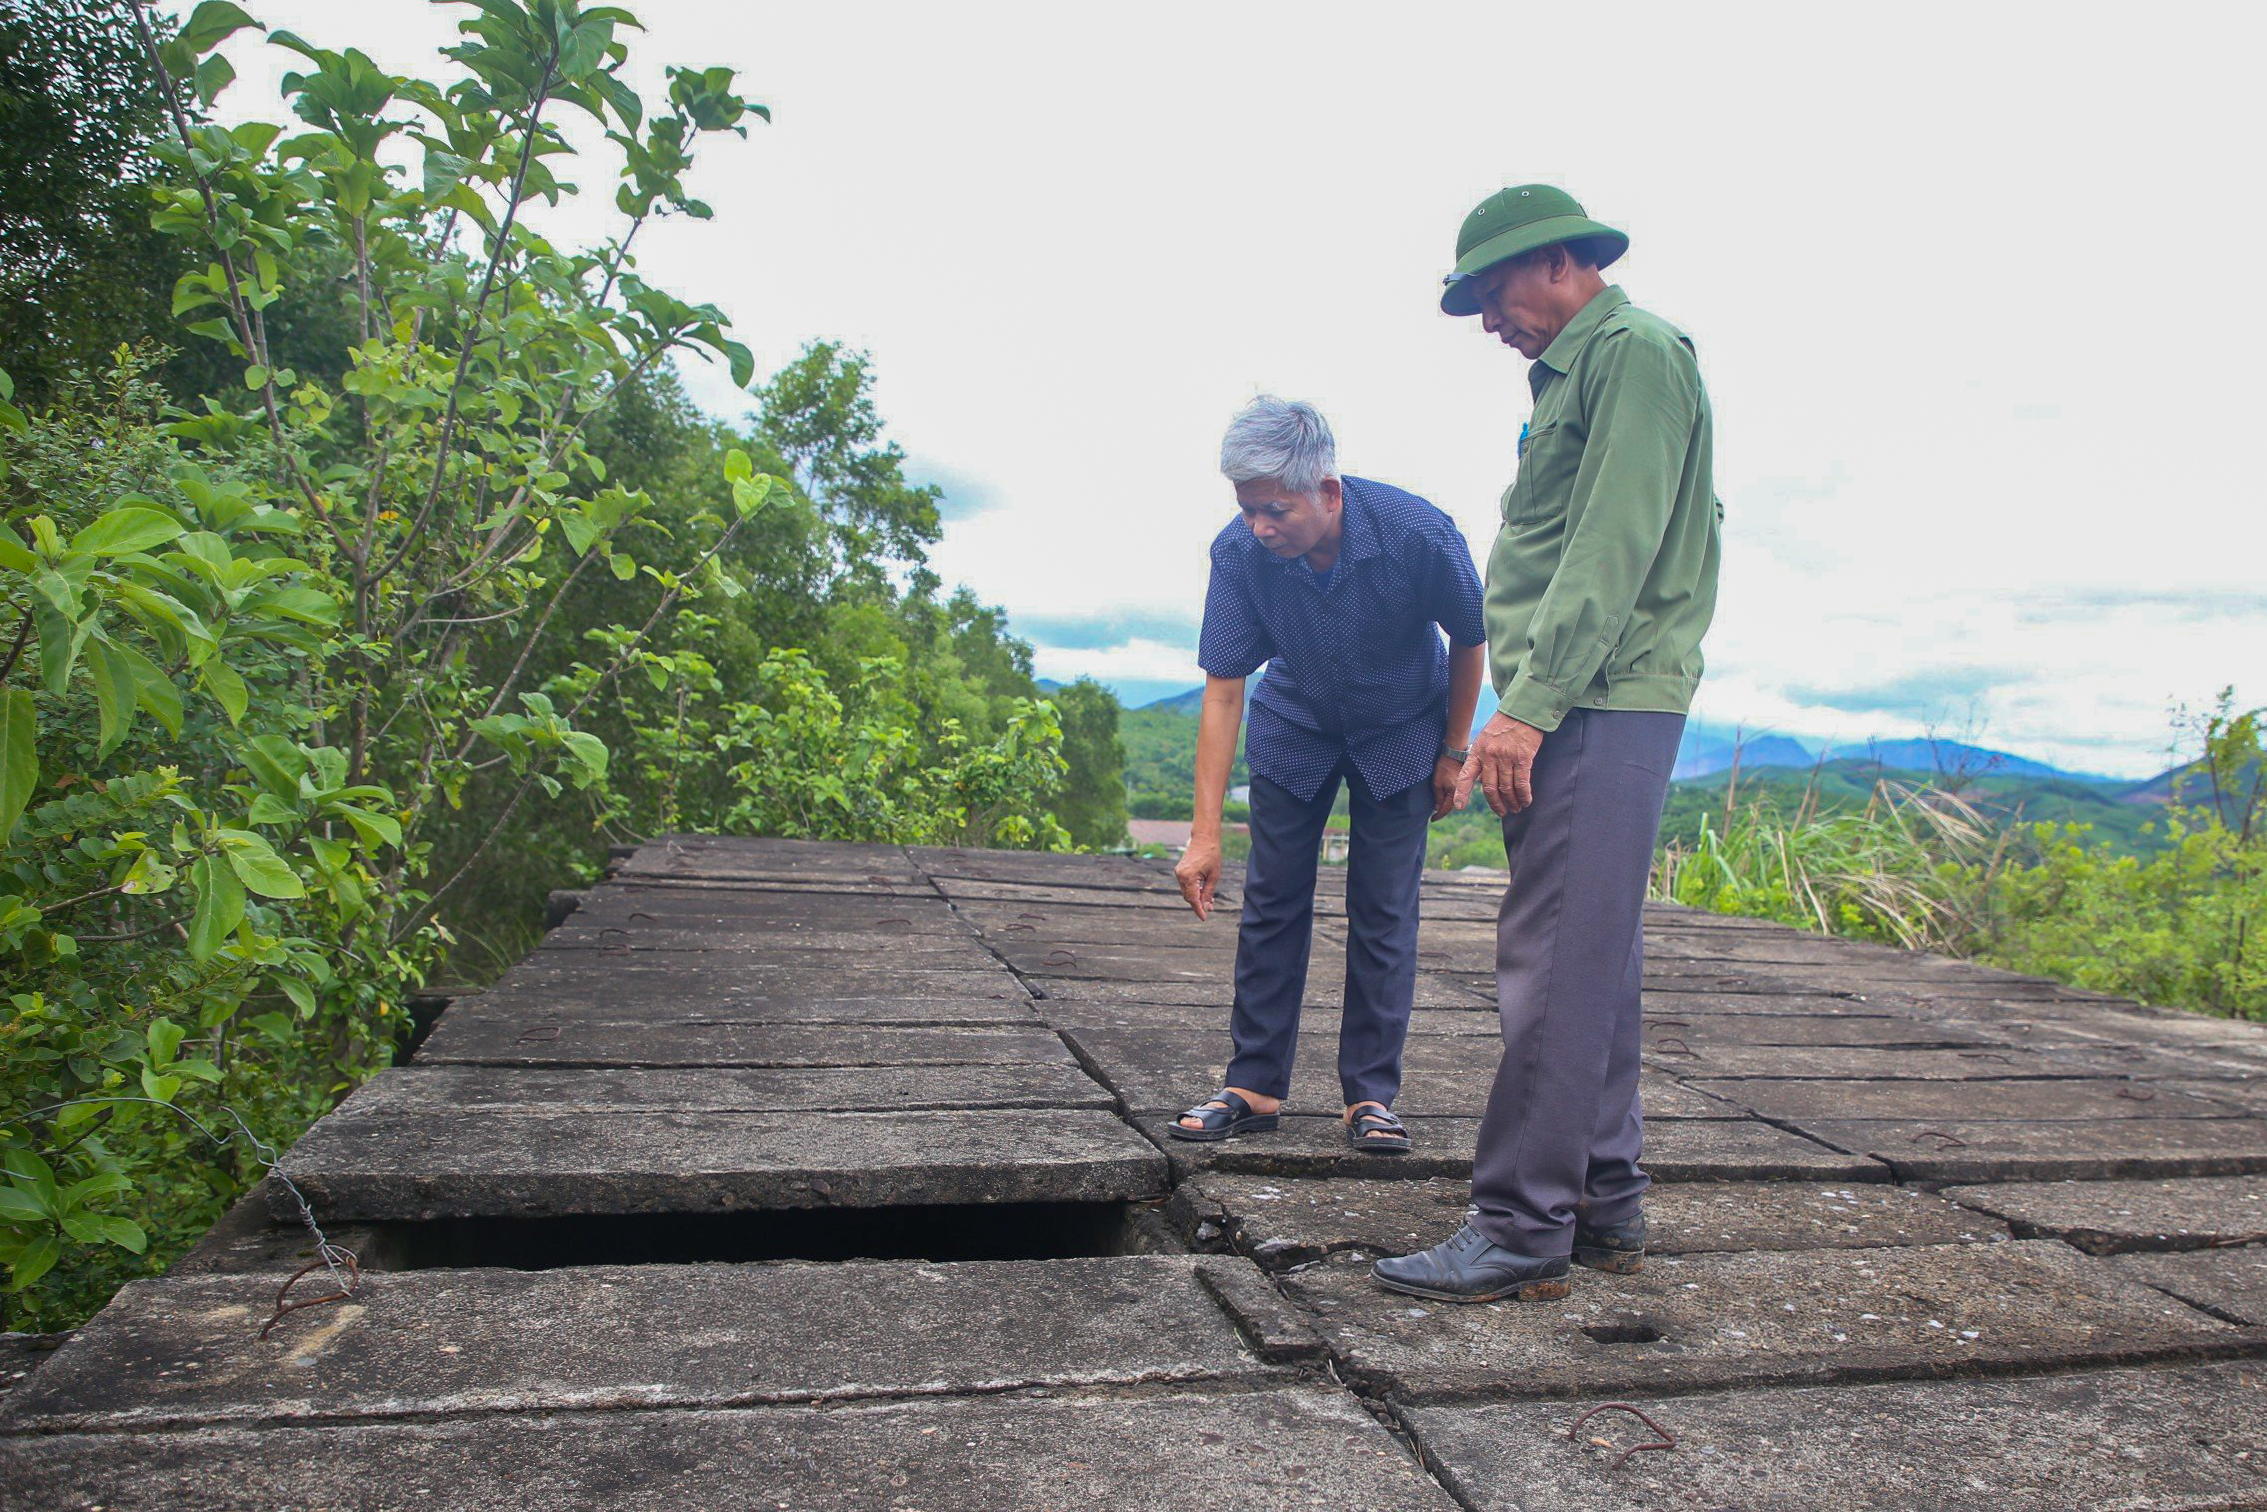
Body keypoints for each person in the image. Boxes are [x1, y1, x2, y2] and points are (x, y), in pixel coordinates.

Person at [1374, 186, 1722, 1301]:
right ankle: (1602, 1199)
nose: (1487, 320)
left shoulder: (1633, 355)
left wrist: (1525, 707)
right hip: (1571, 692)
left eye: (1492, 291)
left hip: (1596, 697)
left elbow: (1609, 547)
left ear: (1559, 262)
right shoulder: (1583, 367)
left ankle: (1520, 1225)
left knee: (1551, 966)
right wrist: (1515, 698)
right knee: (1590, 963)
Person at [1170, 396, 1486, 1154]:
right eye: (1248, 510)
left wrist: (1452, 750)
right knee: (1274, 901)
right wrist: (1203, 834)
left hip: (1402, 726)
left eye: (1275, 509)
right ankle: (1253, 1085)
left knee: (1383, 909)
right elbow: (1222, 689)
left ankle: (1370, 1096)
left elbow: (1470, 638)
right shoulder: (1239, 553)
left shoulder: (1417, 533)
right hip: (1296, 723)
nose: (1260, 527)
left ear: (1328, 492)